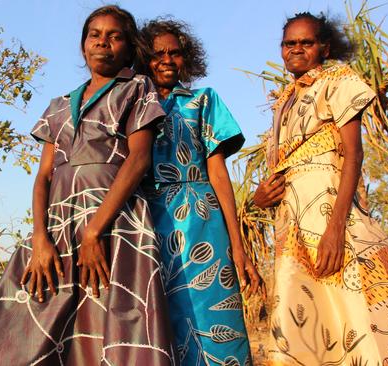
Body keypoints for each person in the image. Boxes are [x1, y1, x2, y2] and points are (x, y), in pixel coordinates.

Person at [0, 5, 177, 366]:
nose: (103, 42)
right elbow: (44, 176)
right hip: (60, 222)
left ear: (128, 48)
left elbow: (139, 159)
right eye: (95, 35)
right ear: (83, 46)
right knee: (29, 318)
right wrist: (39, 238)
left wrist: (94, 233)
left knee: (115, 314)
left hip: (115, 221)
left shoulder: (136, 88)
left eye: (115, 36)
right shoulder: (58, 106)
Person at [254, 12, 388, 364]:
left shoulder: (338, 80)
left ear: (324, 48)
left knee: (356, 306)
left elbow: (354, 155)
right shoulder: (284, 100)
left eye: (306, 42)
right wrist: (261, 197)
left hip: (330, 213)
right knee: (311, 318)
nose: (296, 49)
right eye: (289, 43)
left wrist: (336, 227)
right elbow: (283, 166)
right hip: (293, 223)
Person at [138, 19, 262, 366]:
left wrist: (238, 246)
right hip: (147, 223)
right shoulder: (130, 105)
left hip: (202, 220)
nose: (166, 60)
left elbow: (218, 173)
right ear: (143, 58)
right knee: (158, 322)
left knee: (213, 313)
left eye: (175, 53)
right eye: (157, 53)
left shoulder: (202, 101)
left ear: (186, 59)